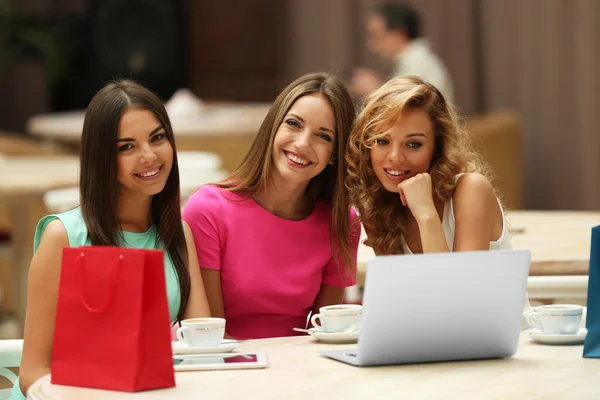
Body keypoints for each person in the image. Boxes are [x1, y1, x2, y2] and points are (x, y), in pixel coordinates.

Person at [13, 80, 211, 399]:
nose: (149, 156)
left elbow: (202, 347)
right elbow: (33, 372)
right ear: (102, 158)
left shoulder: (178, 234)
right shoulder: (63, 236)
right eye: (127, 147)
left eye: (157, 138)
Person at [183, 72, 360, 340]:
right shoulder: (208, 210)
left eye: (323, 136)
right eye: (293, 124)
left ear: (335, 153)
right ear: (273, 126)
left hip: (301, 370)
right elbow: (211, 335)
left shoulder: (342, 222)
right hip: (226, 367)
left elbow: (328, 333)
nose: (302, 144)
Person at [345, 76, 532, 322]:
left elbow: (456, 306)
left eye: (413, 144)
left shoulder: (471, 189)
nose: (395, 157)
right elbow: (413, 311)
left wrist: (425, 213)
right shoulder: (377, 209)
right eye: (382, 141)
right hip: (438, 349)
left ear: (438, 147)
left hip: (507, 349)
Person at [351, 1, 454, 103]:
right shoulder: (413, 60)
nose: (371, 45)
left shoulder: (417, 63)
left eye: (376, 36)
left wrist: (375, 90)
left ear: (399, 34)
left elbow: (410, 110)